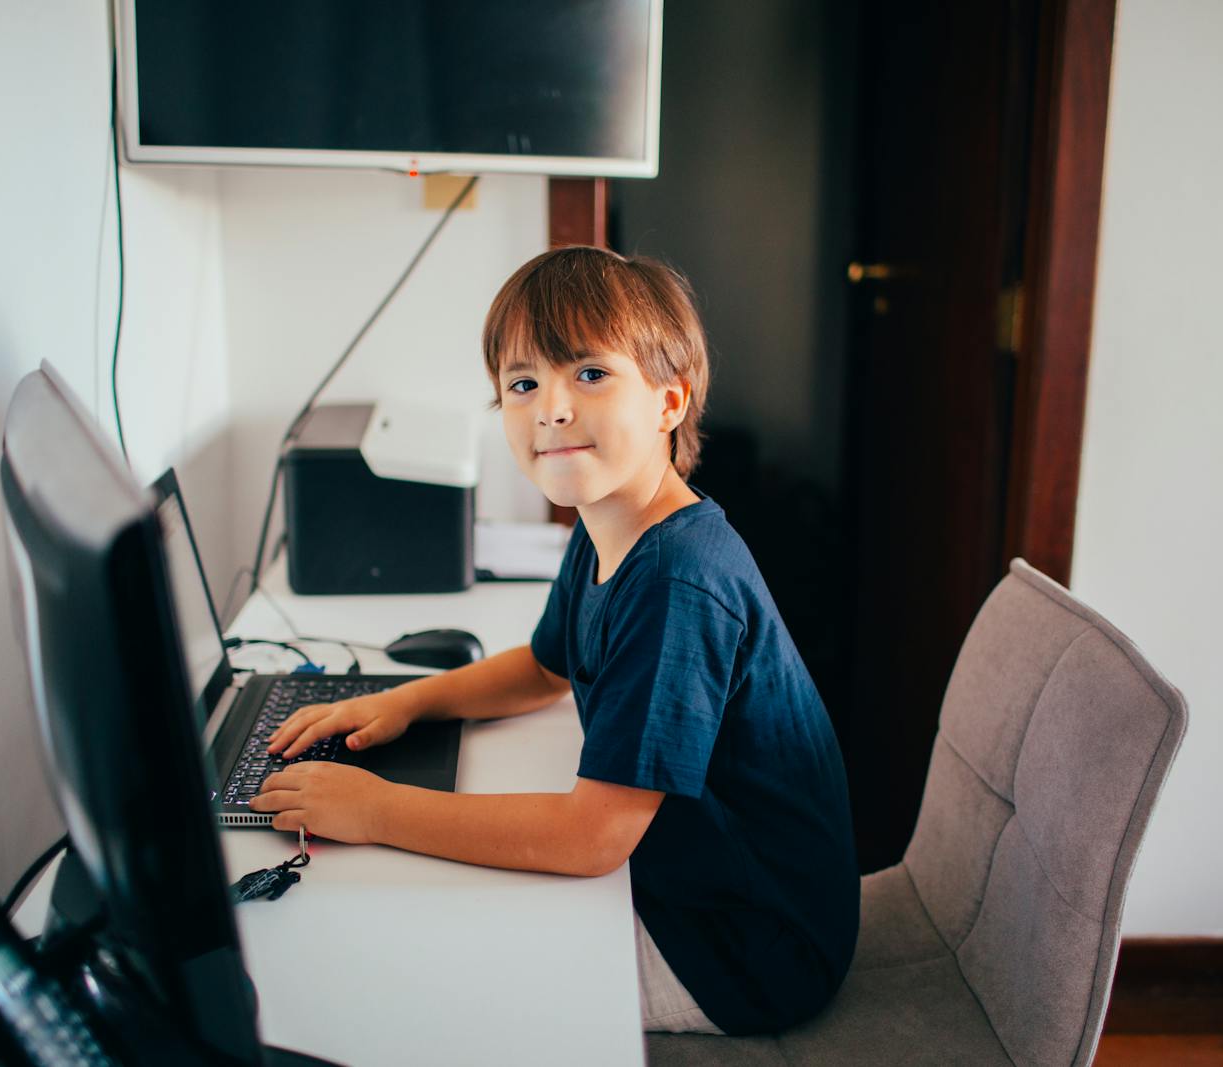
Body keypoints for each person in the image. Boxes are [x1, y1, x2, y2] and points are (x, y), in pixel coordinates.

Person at [253, 246, 859, 1036]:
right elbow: (545, 668)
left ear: (669, 401)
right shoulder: (608, 518)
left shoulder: (678, 580)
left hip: (748, 948)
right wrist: (405, 701)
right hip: (696, 886)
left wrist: (376, 809)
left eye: (590, 373)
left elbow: (592, 836)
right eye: (523, 384)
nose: (552, 408)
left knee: (425, 976)